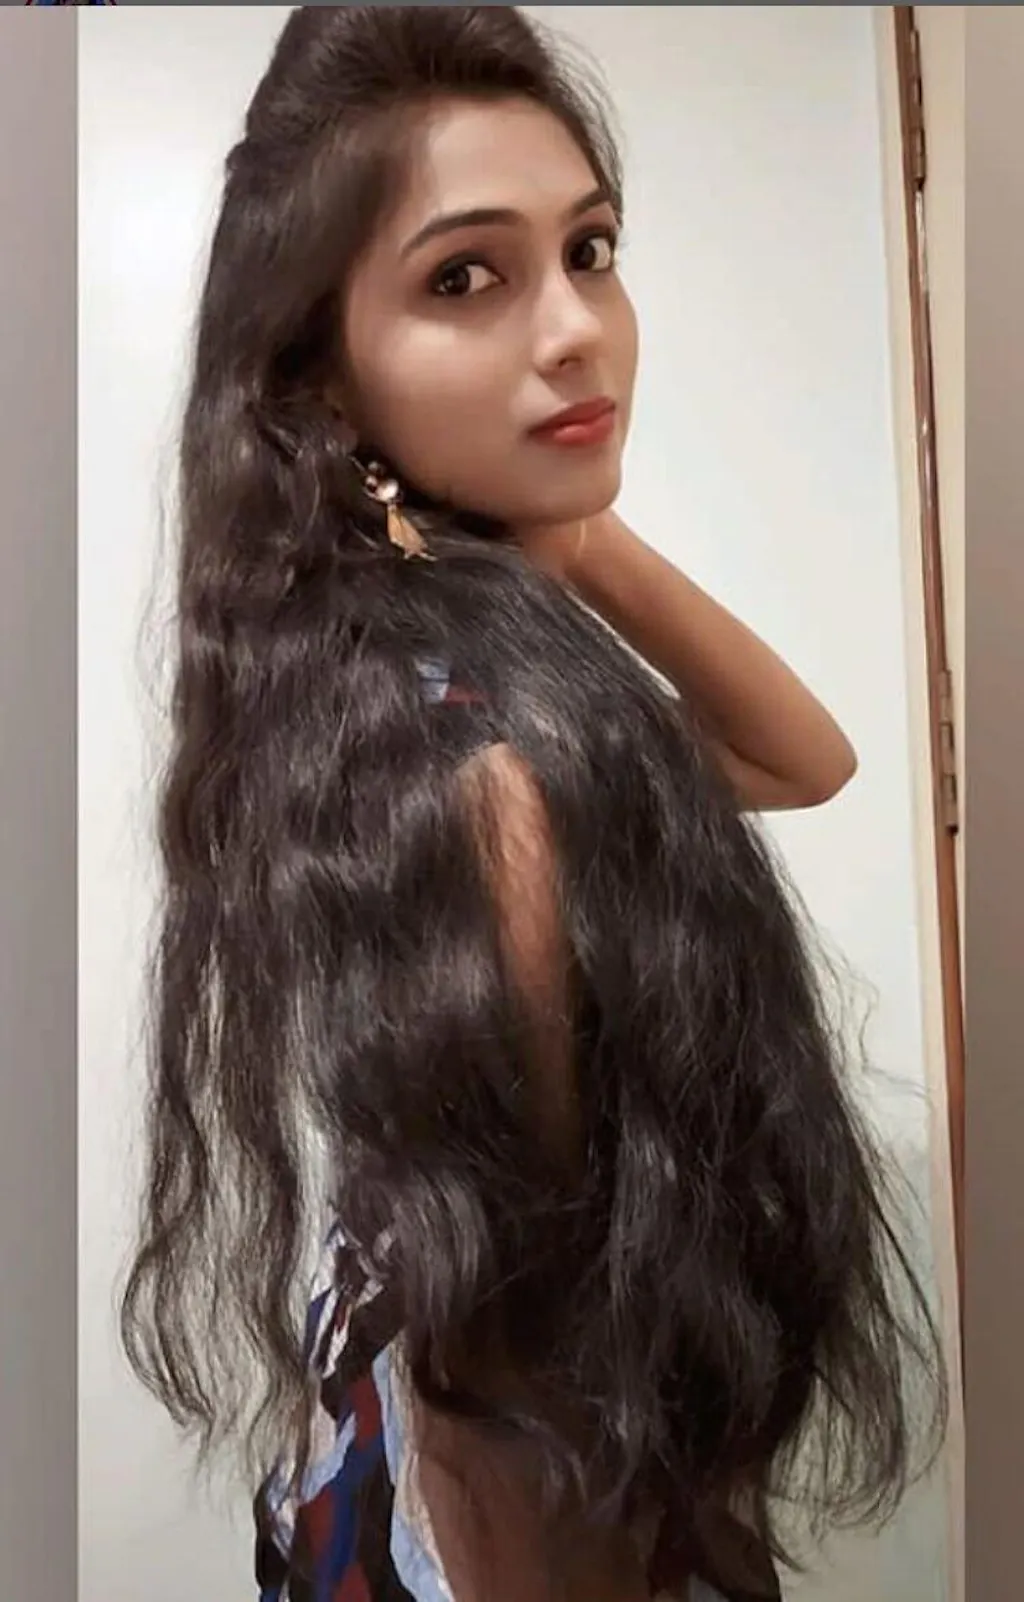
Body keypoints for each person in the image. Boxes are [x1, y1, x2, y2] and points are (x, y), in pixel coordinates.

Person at [120, 9, 946, 1601]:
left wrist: (577, 522)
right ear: (325, 378)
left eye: (592, 249)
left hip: (371, 1444)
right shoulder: (488, 774)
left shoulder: (373, 674)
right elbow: (510, 1364)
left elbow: (806, 756)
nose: (578, 331)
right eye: (465, 278)